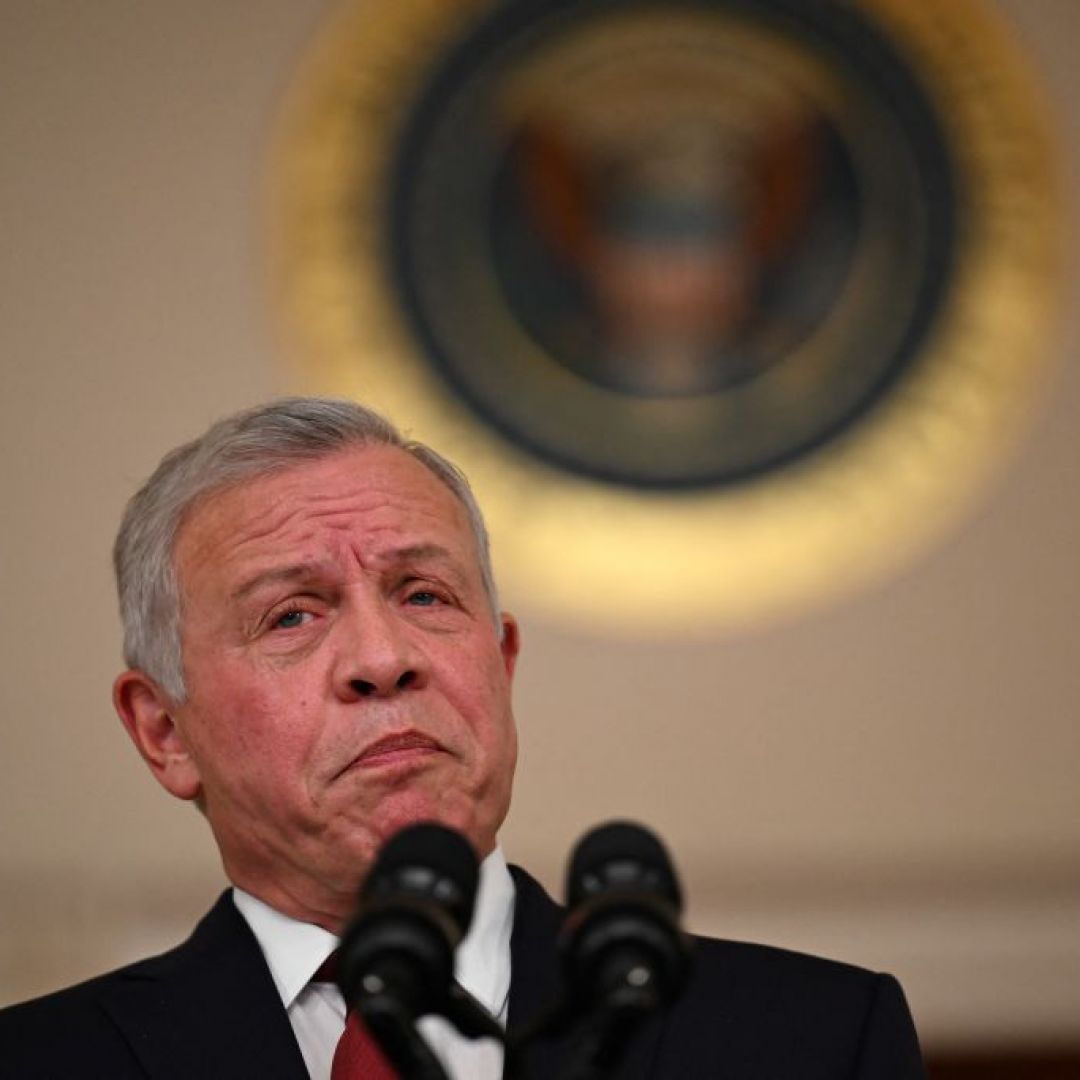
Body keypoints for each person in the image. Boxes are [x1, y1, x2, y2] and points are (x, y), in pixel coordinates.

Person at [0, 397, 926, 1078]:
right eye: (291, 616)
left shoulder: (811, 1043)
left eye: (425, 595)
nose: (383, 656)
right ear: (164, 731)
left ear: (502, 661)